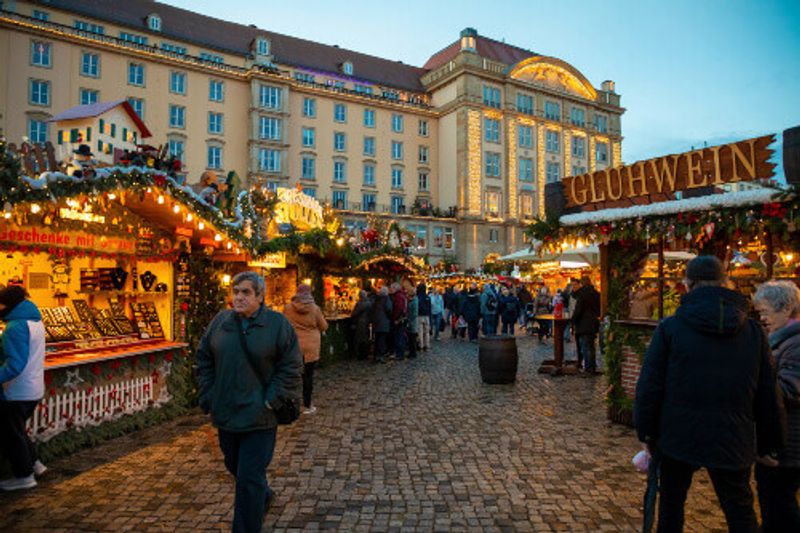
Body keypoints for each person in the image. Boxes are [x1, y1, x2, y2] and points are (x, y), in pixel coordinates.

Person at [635, 256, 783, 533]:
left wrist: (646, 433)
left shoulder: (671, 328)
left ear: (687, 285)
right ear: (725, 282)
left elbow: (650, 386)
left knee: (671, 506)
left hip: (678, 433)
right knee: (739, 511)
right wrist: (769, 443)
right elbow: (766, 391)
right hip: (732, 434)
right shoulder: (752, 331)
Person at [196, 272, 302, 532]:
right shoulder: (221, 322)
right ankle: (262, 495)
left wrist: (272, 399)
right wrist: (209, 393)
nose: (239, 297)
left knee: (249, 477)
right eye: (236, 292)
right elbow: (204, 357)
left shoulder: (276, 324)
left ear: (260, 296)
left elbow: (291, 364)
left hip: (260, 417)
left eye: (245, 292)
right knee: (234, 466)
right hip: (226, 413)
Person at [753, 281, 800, 532]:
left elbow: (790, 390)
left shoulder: (795, 343)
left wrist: (753, 384)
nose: (762, 318)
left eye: (766, 312)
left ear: (787, 309)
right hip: (780, 439)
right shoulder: (781, 340)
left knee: (780, 505)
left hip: (789, 444)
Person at [0, 286, 46, 491]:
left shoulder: (15, 327)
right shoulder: (35, 322)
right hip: (34, 386)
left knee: (12, 434)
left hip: (17, 390)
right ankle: (35, 464)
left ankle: (24, 475)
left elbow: (15, 364)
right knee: (18, 429)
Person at [283, 284, 328, 415]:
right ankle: (307, 405)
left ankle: (288, 402)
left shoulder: (288, 307)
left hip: (293, 346)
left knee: (291, 375)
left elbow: (283, 325)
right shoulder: (315, 309)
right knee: (308, 377)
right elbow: (323, 326)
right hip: (311, 347)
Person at [572, 276, 601, 374]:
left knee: (585, 347)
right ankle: (592, 367)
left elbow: (578, 310)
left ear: (582, 284)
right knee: (591, 346)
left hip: (584, 323)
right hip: (593, 322)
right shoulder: (596, 294)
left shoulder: (583, 294)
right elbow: (599, 308)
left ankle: (588, 369)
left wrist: (573, 320)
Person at [370, 287, 392, 363]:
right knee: (382, 340)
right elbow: (389, 309)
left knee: (377, 339)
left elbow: (372, 308)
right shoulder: (386, 299)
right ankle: (380, 356)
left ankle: (375, 356)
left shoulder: (376, 299)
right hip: (384, 322)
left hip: (376, 322)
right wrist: (390, 317)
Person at [350, 290, 372, 361]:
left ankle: (361, 355)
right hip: (367, 322)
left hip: (360, 322)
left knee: (360, 339)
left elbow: (354, 314)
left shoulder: (360, 303)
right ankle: (366, 353)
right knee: (365, 338)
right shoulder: (369, 302)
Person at [390, 282, 408, 360]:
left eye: (391, 288)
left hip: (399, 320)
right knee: (400, 336)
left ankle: (400, 354)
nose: (390, 289)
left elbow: (399, 308)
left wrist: (395, 318)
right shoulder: (401, 295)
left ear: (395, 288)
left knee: (399, 336)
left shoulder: (398, 296)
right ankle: (400, 353)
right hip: (402, 319)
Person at [416, 283, 431, 351]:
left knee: (420, 332)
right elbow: (430, 307)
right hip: (427, 316)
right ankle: (427, 345)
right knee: (426, 332)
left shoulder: (418, 297)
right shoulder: (428, 297)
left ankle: (421, 345)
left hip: (419, 316)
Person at [406, 284, 419, 359]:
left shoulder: (414, 301)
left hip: (412, 323)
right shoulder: (413, 300)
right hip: (411, 322)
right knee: (411, 338)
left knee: (412, 338)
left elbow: (414, 313)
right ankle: (412, 353)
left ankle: (413, 353)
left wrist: (409, 320)